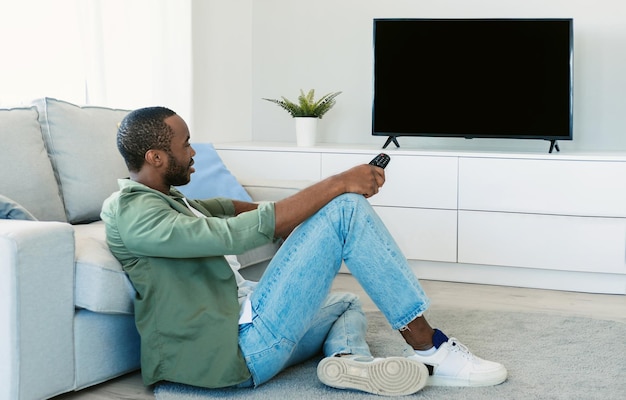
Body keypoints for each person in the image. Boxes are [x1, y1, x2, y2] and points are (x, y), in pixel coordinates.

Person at [101, 106, 507, 397]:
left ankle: (352, 363)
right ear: (156, 156)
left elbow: (251, 211)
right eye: (186, 144)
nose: (194, 153)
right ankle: (429, 348)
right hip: (231, 349)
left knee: (346, 303)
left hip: (250, 326)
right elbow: (232, 234)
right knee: (345, 206)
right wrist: (337, 185)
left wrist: (315, 208)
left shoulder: (174, 201)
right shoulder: (132, 210)